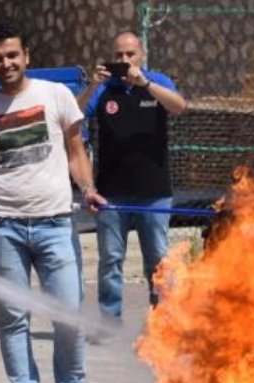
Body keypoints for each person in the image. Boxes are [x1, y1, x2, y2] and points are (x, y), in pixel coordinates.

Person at [0, 22, 106, 383]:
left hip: (56, 223)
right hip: (3, 228)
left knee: (67, 314)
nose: (5, 64)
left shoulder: (56, 95)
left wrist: (89, 188)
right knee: (13, 319)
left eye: (11, 55)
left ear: (26, 55)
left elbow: (76, 151)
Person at [77, 29, 186, 324]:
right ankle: (110, 322)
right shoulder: (104, 89)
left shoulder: (157, 82)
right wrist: (92, 85)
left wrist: (145, 83)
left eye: (130, 54)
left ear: (141, 55)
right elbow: (73, 115)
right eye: (119, 55)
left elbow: (179, 107)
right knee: (111, 260)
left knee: (159, 260)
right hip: (112, 193)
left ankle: (163, 320)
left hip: (154, 191)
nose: (124, 60)